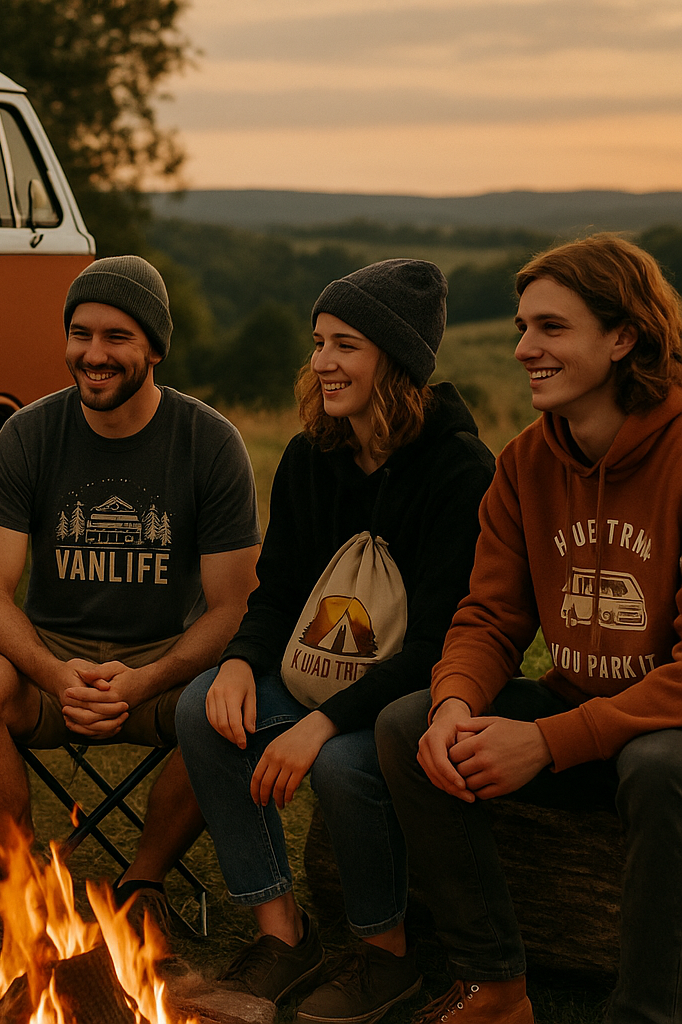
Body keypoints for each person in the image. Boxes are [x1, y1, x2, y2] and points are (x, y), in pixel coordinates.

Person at [175, 259, 495, 1020]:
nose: (322, 362)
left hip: (409, 690)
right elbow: (279, 590)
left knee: (346, 762)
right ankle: (283, 934)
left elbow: (437, 643)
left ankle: (388, 958)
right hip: (313, 670)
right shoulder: (308, 458)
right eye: (318, 342)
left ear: (397, 360)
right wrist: (240, 662)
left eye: (346, 345)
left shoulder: (460, 470)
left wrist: (319, 725)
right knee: (201, 710)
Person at [376, 234, 682, 1023]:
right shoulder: (524, 464)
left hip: (664, 734)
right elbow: (490, 615)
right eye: (522, 327)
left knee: (657, 765)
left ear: (623, 337)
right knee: (408, 724)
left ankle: (645, 1012)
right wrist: (453, 704)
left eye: (551, 327)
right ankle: (495, 985)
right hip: (582, 712)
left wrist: (546, 742)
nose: (523, 349)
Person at [0, 255, 261, 927]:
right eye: (80, 334)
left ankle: (144, 881)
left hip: (164, 663)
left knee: (229, 701)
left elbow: (234, 607)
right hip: (50, 661)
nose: (93, 354)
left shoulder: (208, 442)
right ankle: (26, 893)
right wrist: (54, 673)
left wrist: (145, 681)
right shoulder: (28, 434)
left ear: (155, 347)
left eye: (117, 336)